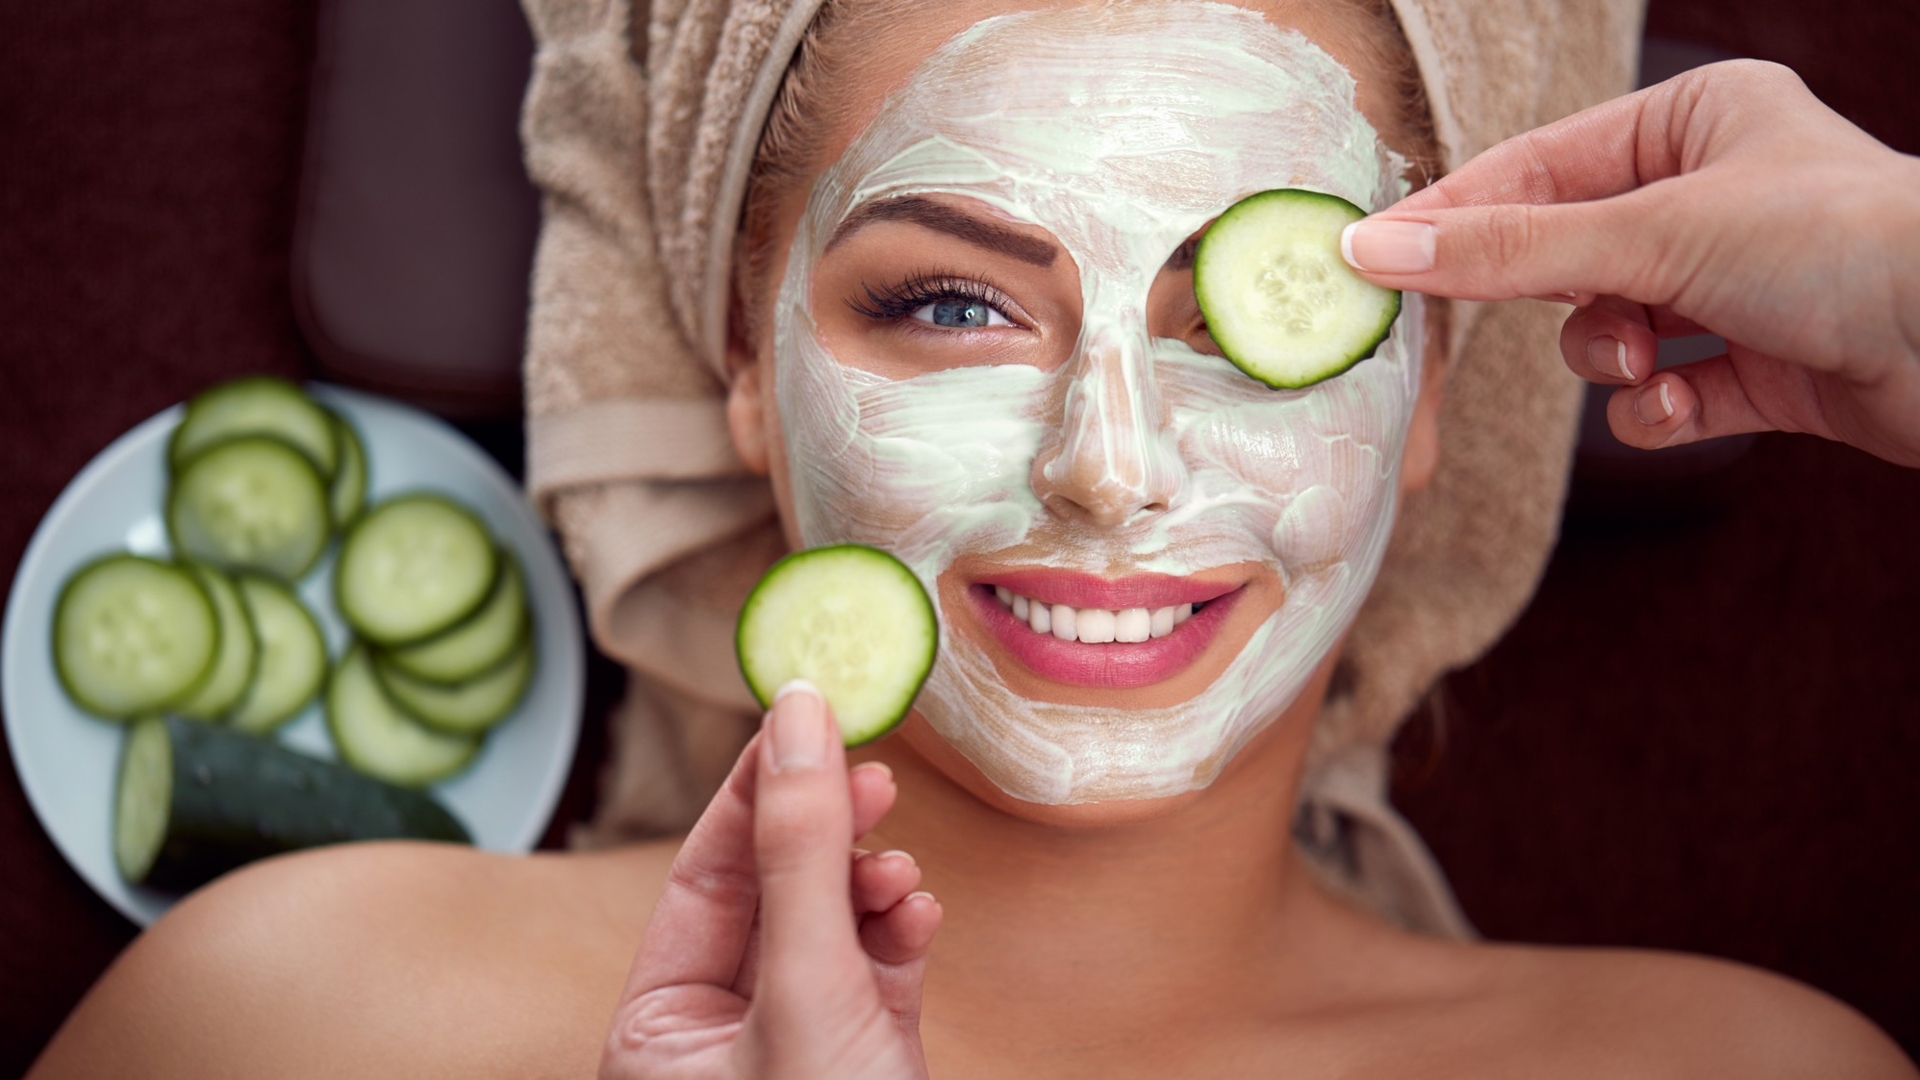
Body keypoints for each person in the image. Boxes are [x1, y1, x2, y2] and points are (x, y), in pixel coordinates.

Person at [26, 4, 1919, 1080]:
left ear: (1427, 397)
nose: (1106, 468)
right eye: (950, 306)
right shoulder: (298, 1023)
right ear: (744, 368)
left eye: (1245, 316)